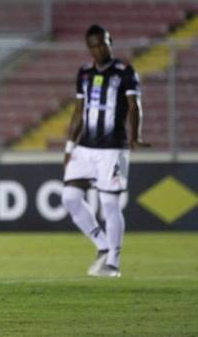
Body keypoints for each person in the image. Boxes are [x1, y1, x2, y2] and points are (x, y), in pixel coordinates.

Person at [62, 24, 149, 278]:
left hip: (112, 148)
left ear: (110, 41)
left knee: (109, 203)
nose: (99, 48)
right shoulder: (84, 72)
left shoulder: (125, 72)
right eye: (94, 45)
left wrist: (135, 136)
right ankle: (101, 244)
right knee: (69, 198)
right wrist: (69, 147)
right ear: (88, 47)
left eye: (103, 43)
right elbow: (78, 111)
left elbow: (134, 107)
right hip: (85, 147)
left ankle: (113, 262)